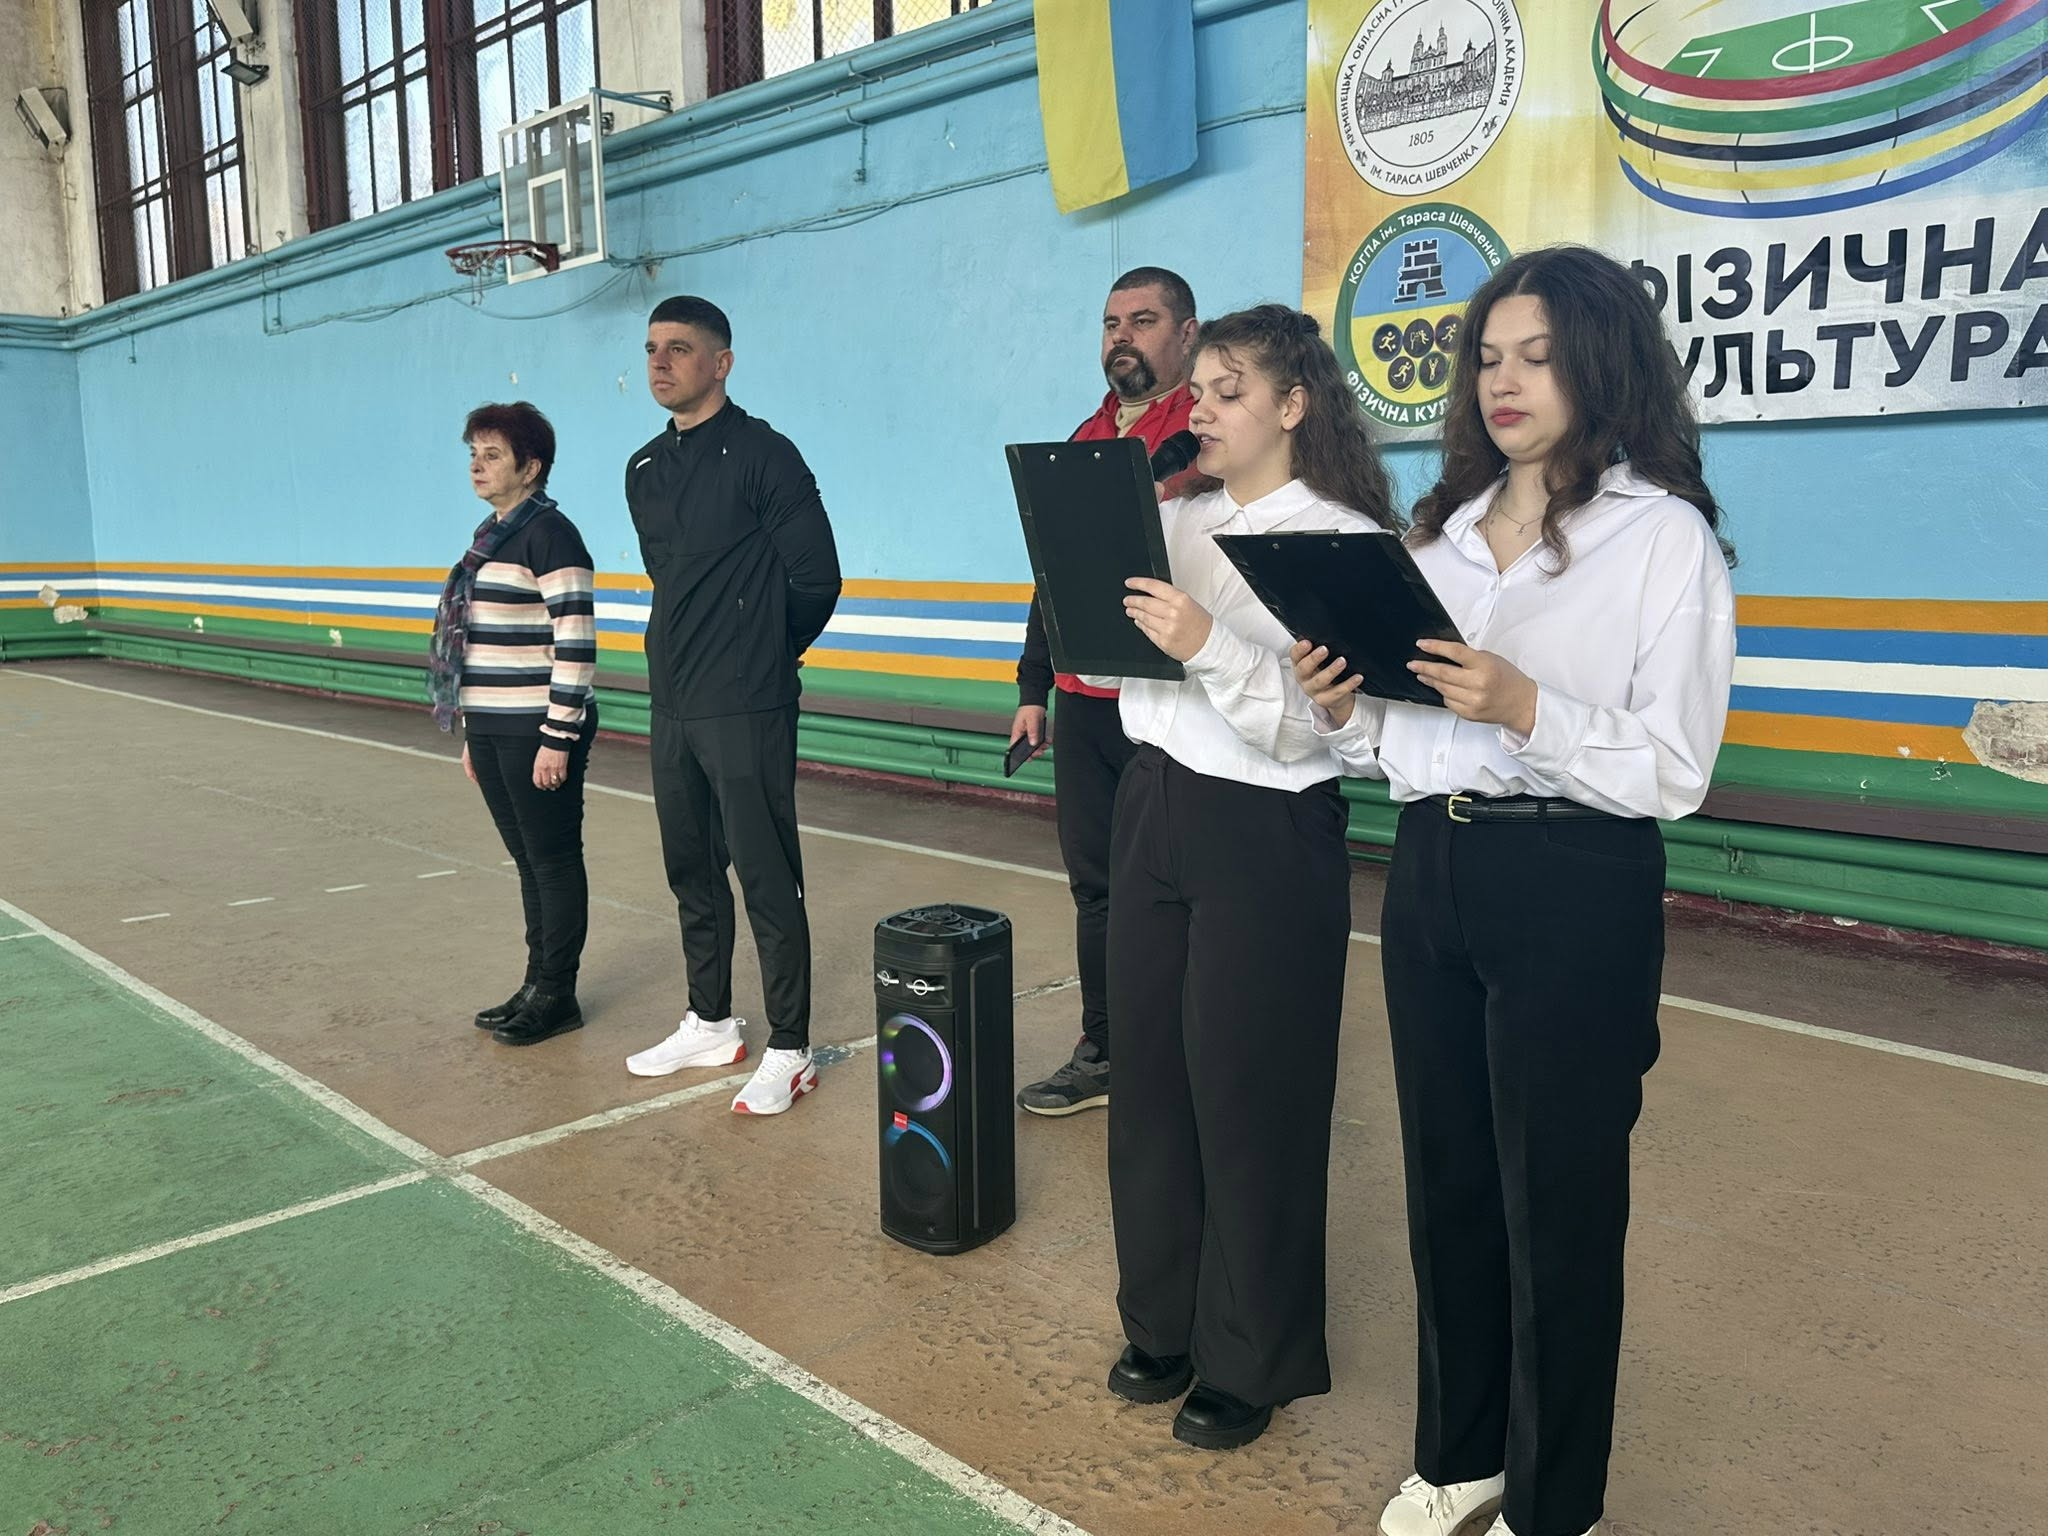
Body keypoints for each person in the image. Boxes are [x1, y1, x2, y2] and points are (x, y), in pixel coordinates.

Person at [1292, 246, 1736, 1536]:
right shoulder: (1432, 540)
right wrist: (1341, 709)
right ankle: (1461, 1455)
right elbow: (1395, 741)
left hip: (1571, 878)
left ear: (1599, 366)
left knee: (1558, 1204)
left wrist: (1527, 705)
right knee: (1447, 1184)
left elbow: (1674, 767)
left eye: (1536, 357)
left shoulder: (1659, 539)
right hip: (1430, 868)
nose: (1503, 381)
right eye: (1487, 357)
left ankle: (1554, 1505)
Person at [1094, 304, 1398, 1450]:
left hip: (1264, 827)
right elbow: (1124, 674)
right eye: (1201, 390)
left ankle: (1247, 1356)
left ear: (1293, 405)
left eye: (1229, 390)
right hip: (1151, 802)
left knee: (1249, 1094)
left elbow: (1325, 733)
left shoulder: (1340, 541)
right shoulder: (1175, 518)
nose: (1204, 409)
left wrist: (1206, 644)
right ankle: (1162, 1323)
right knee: (1151, 1080)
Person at [620, 296, 843, 1116]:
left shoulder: (765, 455)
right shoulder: (644, 467)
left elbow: (817, 577)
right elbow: (671, 580)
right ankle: (710, 1021)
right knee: (692, 869)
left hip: (747, 702)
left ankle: (791, 1046)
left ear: (721, 363)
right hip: (674, 701)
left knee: (765, 874)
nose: (660, 362)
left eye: (679, 348)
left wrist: (762, 655)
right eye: (652, 348)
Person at [1013, 265, 1207, 1117]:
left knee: (1170, 886)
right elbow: (1049, 569)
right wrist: (1033, 687)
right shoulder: (1085, 435)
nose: (1122, 336)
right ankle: (1105, 1048)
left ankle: (1180, 1053)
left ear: (1187, 334)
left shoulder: (1204, 432)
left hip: (1168, 705)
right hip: (1083, 705)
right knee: (1093, 886)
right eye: (1111, 323)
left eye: (1143, 320)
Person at [427, 401, 598, 1047]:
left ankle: (558, 994)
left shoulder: (551, 536)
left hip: (537, 729)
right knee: (528, 862)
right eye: (473, 453)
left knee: (552, 861)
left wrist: (558, 738)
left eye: (493, 454)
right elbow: (479, 647)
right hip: (494, 725)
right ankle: (535, 984)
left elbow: (575, 642)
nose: (477, 465)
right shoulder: (490, 538)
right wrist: (473, 732)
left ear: (531, 467)